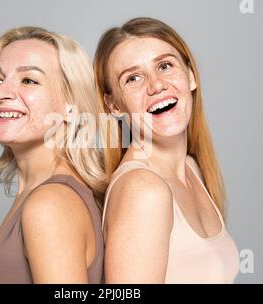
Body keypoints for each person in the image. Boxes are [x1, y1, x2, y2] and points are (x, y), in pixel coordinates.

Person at [94, 17, 240, 283]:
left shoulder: (192, 169)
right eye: (133, 78)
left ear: (191, 76)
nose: (156, 85)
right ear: (113, 105)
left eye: (165, 65)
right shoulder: (143, 189)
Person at [0, 26, 111, 283]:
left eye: (29, 80)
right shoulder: (40, 195)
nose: (1, 93)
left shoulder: (49, 204)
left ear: (71, 106)